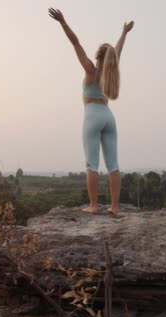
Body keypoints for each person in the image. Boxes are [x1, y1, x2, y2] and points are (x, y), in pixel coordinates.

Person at [48, 8, 134, 215]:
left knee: (92, 164)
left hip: (93, 116)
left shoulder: (90, 70)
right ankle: (115, 207)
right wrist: (124, 33)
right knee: (113, 164)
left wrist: (63, 22)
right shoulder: (110, 74)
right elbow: (118, 50)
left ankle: (94, 205)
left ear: (97, 55)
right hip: (109, 116)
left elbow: (75, 43)